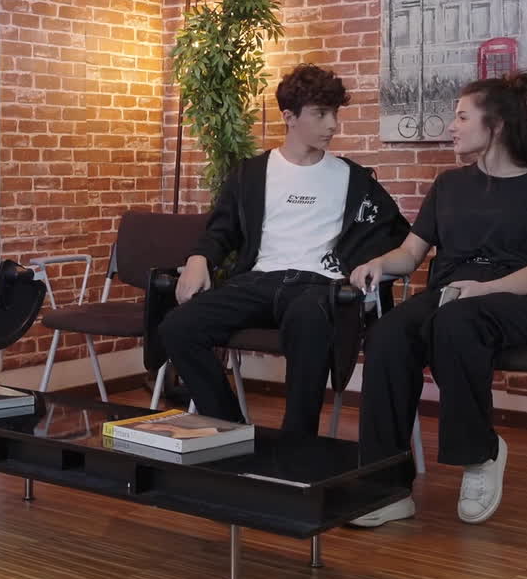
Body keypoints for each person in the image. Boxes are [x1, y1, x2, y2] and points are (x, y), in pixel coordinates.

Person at [349, 72, 527, 527]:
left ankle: (481, 453)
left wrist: (486, 288)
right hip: (452, 296)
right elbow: (411, 253)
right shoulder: (449, 185)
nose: (451, 127)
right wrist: (379, 262)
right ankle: (386, 486)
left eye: (461, 117)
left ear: (496, 125)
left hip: (520, 299)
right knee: (388, 333)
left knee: (455, 321)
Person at [158, 64, 410, 433]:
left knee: (310, 319)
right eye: (320, 114)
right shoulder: (251, 174)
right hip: (257, 281)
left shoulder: (354, 179)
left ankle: (297, 441)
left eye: (334, 113)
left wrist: (372, 267)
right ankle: (231, 429)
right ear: (289, 117)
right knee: (177, 327)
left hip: (317, 285)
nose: (332, 125)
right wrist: (199, 259)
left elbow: (396, 235)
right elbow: (221, 229)